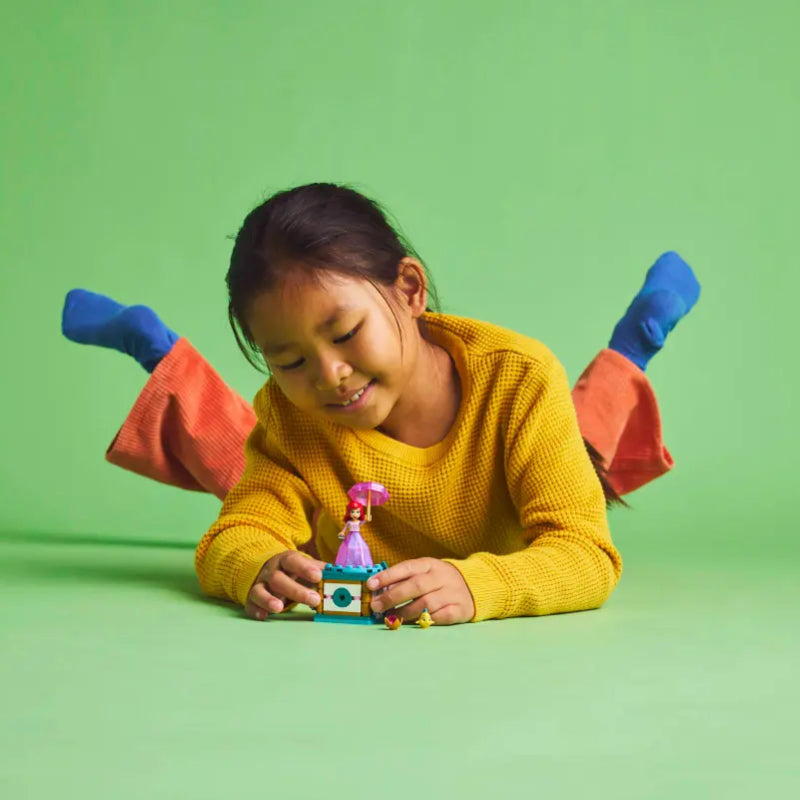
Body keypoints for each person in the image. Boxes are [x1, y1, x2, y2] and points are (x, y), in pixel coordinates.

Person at [61, 182, 700, 625]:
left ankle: (633, 344)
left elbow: (584, 554)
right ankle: (160, 351)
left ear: (411, 289)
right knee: (240, 460)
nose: (330, 375)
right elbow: (237, 533)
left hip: (513, 448)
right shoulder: (293, 415)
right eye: (290, 361)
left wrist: (480, 585)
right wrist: (256, 565)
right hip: (336, 509)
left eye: (345, 334)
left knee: (586, 441)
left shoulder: (518, 382)